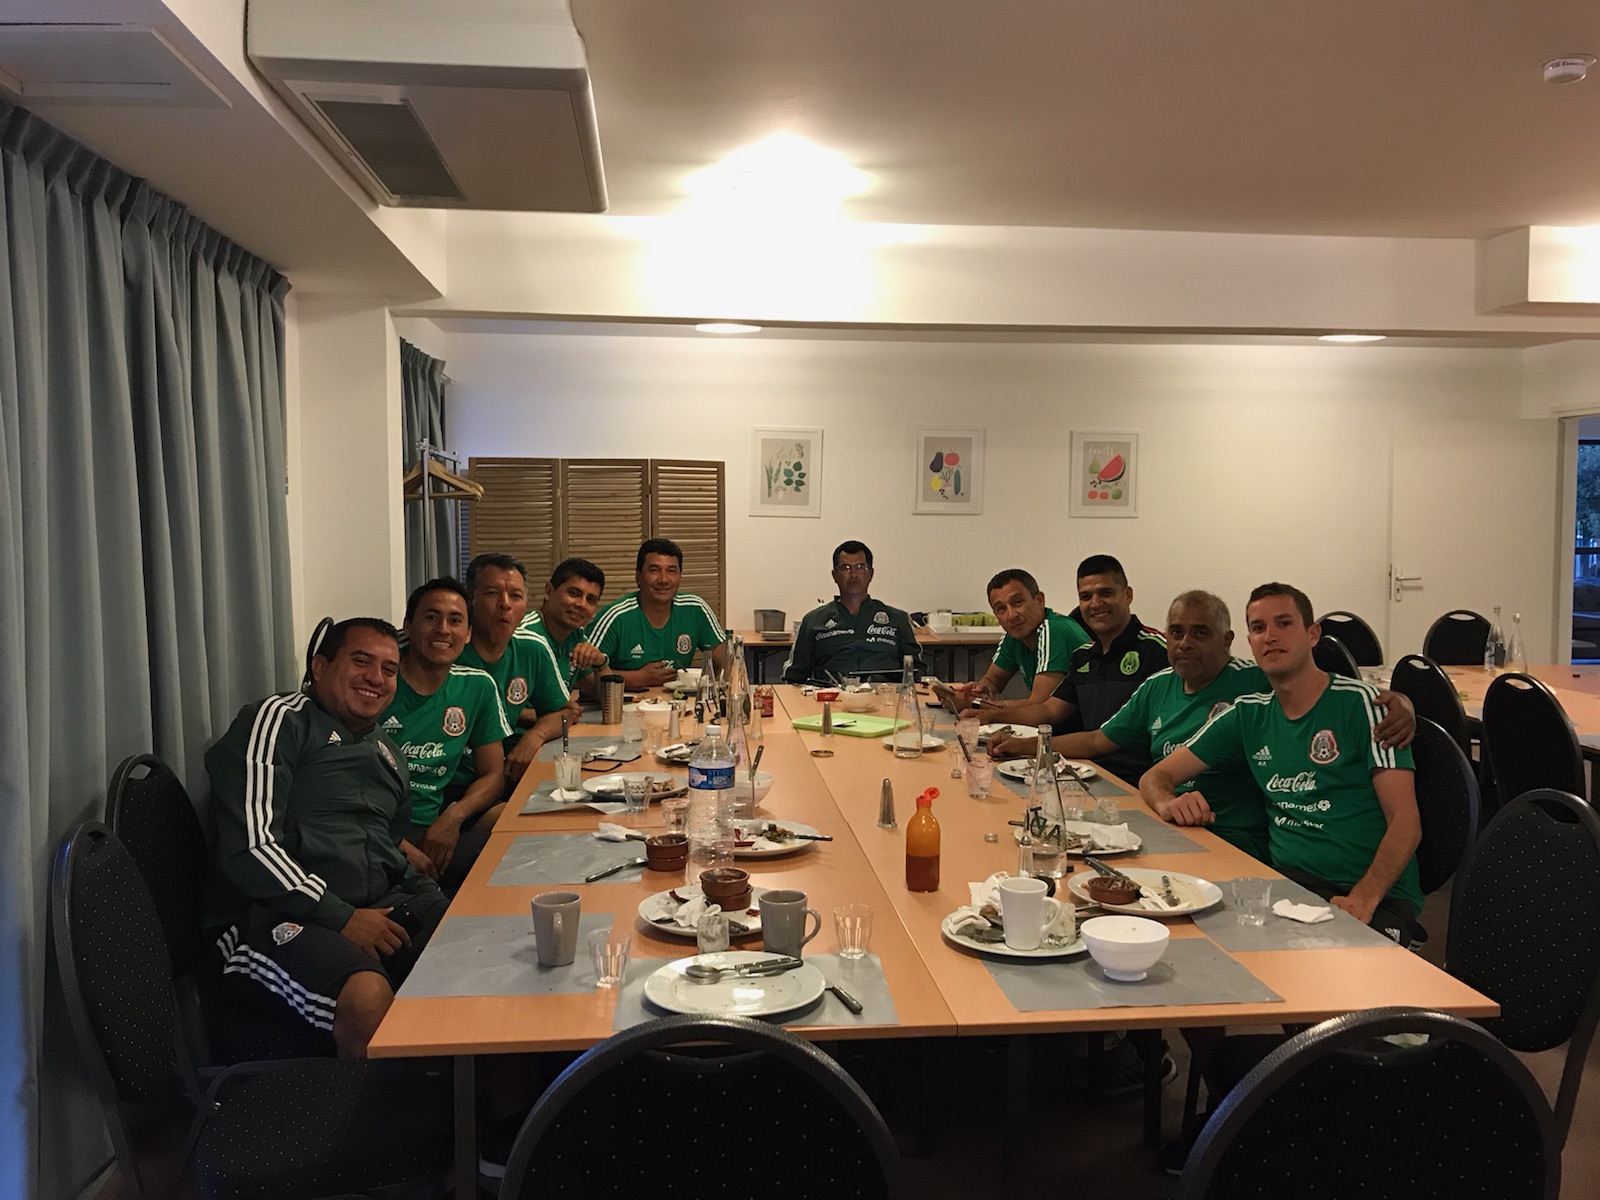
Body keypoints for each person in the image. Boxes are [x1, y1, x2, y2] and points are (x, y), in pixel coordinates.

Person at [204, 618, 445, 1057]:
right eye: (361, 661)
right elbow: (252, 847)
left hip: (372, 904)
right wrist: (343, 917)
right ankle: (377, 1103)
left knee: (476, 947)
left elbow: (389, 847)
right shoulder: (281, 720)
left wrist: (431, 899)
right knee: (366, 999)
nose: (376, 678)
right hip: (271, 916)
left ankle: (473, 1096)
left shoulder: (389, 754)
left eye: (389, 669)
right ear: (320, 667)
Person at [1141, 582, 1423, 941]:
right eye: (1259, 628)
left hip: (1372, 895)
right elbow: (1156, 777)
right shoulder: (1248, 714)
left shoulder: (1366, 706)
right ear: (1249, 642)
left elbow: (1406, 823)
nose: (1270, 636)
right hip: (1286, 888)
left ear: (1312, 634)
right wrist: (1168, 802)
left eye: (1284, 623)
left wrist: (1363, 899)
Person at [1048, 590, 1415, 860]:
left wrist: (1402, 701)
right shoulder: (1182, 693)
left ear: (1228, 642)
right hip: (1186, 830)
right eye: (1176, 632)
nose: (1185, 644)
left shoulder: (1257, 682)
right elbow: (1113, 750)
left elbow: (1325, 689)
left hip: (1243, 842)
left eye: (1200, 633)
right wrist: (1032, 744)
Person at [988, 554, 1166, 785]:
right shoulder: (1083, 656)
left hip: (1138, 783)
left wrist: (1020, 742)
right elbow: (1049, 710)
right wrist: (994, 722)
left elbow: (1097, 741)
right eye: (1086, 596)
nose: (1096, 603)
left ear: (1128, 595)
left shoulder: (1158, 650)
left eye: (1105, 593)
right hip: (1086, 773)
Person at [384, 577, 513, 891]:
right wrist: (400, 846)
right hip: (378, 835)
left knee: (517, 831)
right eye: (431, 617)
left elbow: (493, 774)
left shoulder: (477, 686)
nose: (443, 629)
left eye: (455, 621)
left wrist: (453, 817)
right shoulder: (379, 684)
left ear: (467, 634)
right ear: (408, 625)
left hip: (435, 829)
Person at [457, 553, 605, 787]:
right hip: (464, 778)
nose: (505, 604)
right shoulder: (450, 651)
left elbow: (567, 711)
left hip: (506, 768)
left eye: (515, 596)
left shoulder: (537, 645)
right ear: (470, 599)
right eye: (492, 593)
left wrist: (537, 735)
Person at [946, 568, 1089, 725]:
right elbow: (993, 680)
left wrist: (976, 704)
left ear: (1039, 600)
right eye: (1001, 608)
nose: (1011, 615)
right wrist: (978, 691)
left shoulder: (1054, 630)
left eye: (1018, 602)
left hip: (1079, 730)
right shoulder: (1015, 635)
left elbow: (1040, 706)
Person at [583, 538, 727, 691]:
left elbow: (727, 662)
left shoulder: (695, 609)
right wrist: (638, 678)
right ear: (638, 576)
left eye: (671, 571)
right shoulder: (615, 617)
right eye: (654, 570)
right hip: (622, 702)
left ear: (680, 576)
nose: (663, 580)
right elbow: (582, 675)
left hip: (678, 702)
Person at [782, 540, 924, 684]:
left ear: (871, 573)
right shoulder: (814, 621)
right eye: (845, 568)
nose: (853, 574)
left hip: (886, 694)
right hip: (831, 694)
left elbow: (916, 670)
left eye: (860, 567)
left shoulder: (897, 619)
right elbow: (794, 676)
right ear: (835, 575)